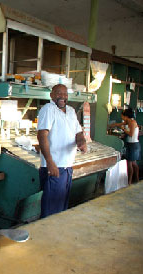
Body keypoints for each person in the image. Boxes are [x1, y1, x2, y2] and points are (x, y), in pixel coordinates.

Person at [37, 84, 87, 218]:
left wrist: (81, 141)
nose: (62, 96)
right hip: (54, 167)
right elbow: (42, 136)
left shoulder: (70, 111)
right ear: (51, 95)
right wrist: (50, 162)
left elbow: (78, 132)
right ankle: (47, 237)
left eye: (65, 94)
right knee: (51, 211)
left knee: (60, 209)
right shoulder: (48, 109)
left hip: (67, 167)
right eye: (59, 93)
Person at [108, 108, 140, 184]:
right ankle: (136, 179)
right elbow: (119, 124)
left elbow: (131, 134)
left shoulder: (132, 122)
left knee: (130, 163)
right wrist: (113, 125)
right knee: (133, 163)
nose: (121, 117)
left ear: (126, 116)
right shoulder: (128, 121)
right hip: (132, 144)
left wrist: (123, 129)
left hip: (133, 145)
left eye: (122, 115)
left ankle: (129, 181)